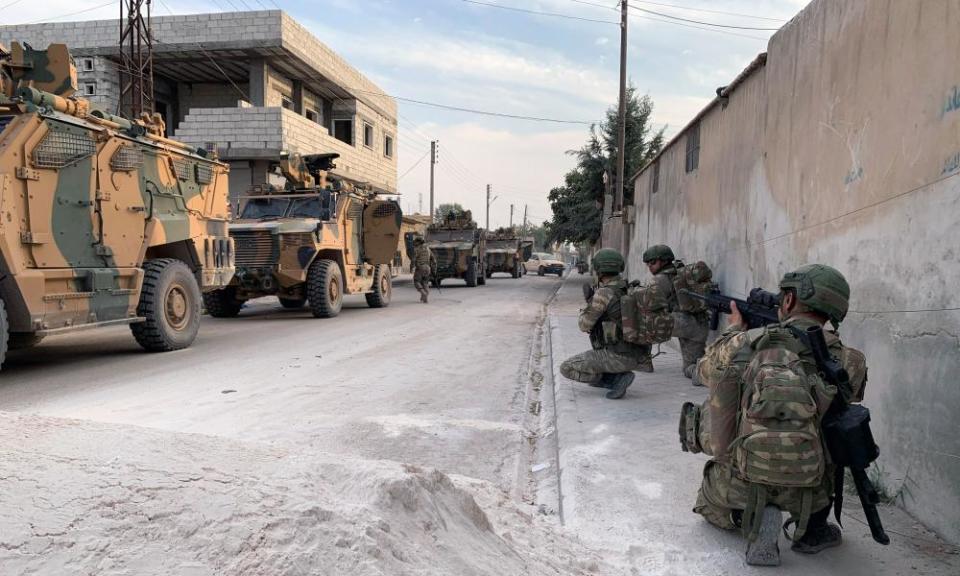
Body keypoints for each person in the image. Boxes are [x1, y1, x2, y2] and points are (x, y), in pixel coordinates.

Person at [684, 264, 864, 566]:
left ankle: (746, 517)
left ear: (790, 300)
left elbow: (704, 371)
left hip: (737, 483)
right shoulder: (851, 360)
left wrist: (734, 331)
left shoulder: (745, 343)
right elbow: (851, 397)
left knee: (713, 413)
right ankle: (812, 530)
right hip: (811, 490)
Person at [559, 248, 643, 400]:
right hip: (638, 354)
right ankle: (615, 375)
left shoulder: (604, 293)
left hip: (617, 356)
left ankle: (614, 379)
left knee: (566, 368)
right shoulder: (629, 288)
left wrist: (589, 305)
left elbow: (584, 325)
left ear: (599, 270)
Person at [641, 245, 710, 379]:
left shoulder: (659, 280)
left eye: (653, 262)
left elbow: (645, 305)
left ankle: (642, 361)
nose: (650, 266)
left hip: (682, 324)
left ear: (664, 261)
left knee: (638, 321)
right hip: (699, 326)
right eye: (648, 263)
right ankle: (712, 375)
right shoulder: (681, 272)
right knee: (690, 368)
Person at [411, 235, 435, 303]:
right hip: (428, 268)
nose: (414, 243)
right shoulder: (428, 249)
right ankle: (425, 298)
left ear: (419, 242)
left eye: (416, 242)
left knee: (416, 281)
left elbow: (413, 259)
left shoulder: (417, 249)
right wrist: (433, 269)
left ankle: (423, 293)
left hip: (420, 267)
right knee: (425, 282)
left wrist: (411, 267)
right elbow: (433, 259)